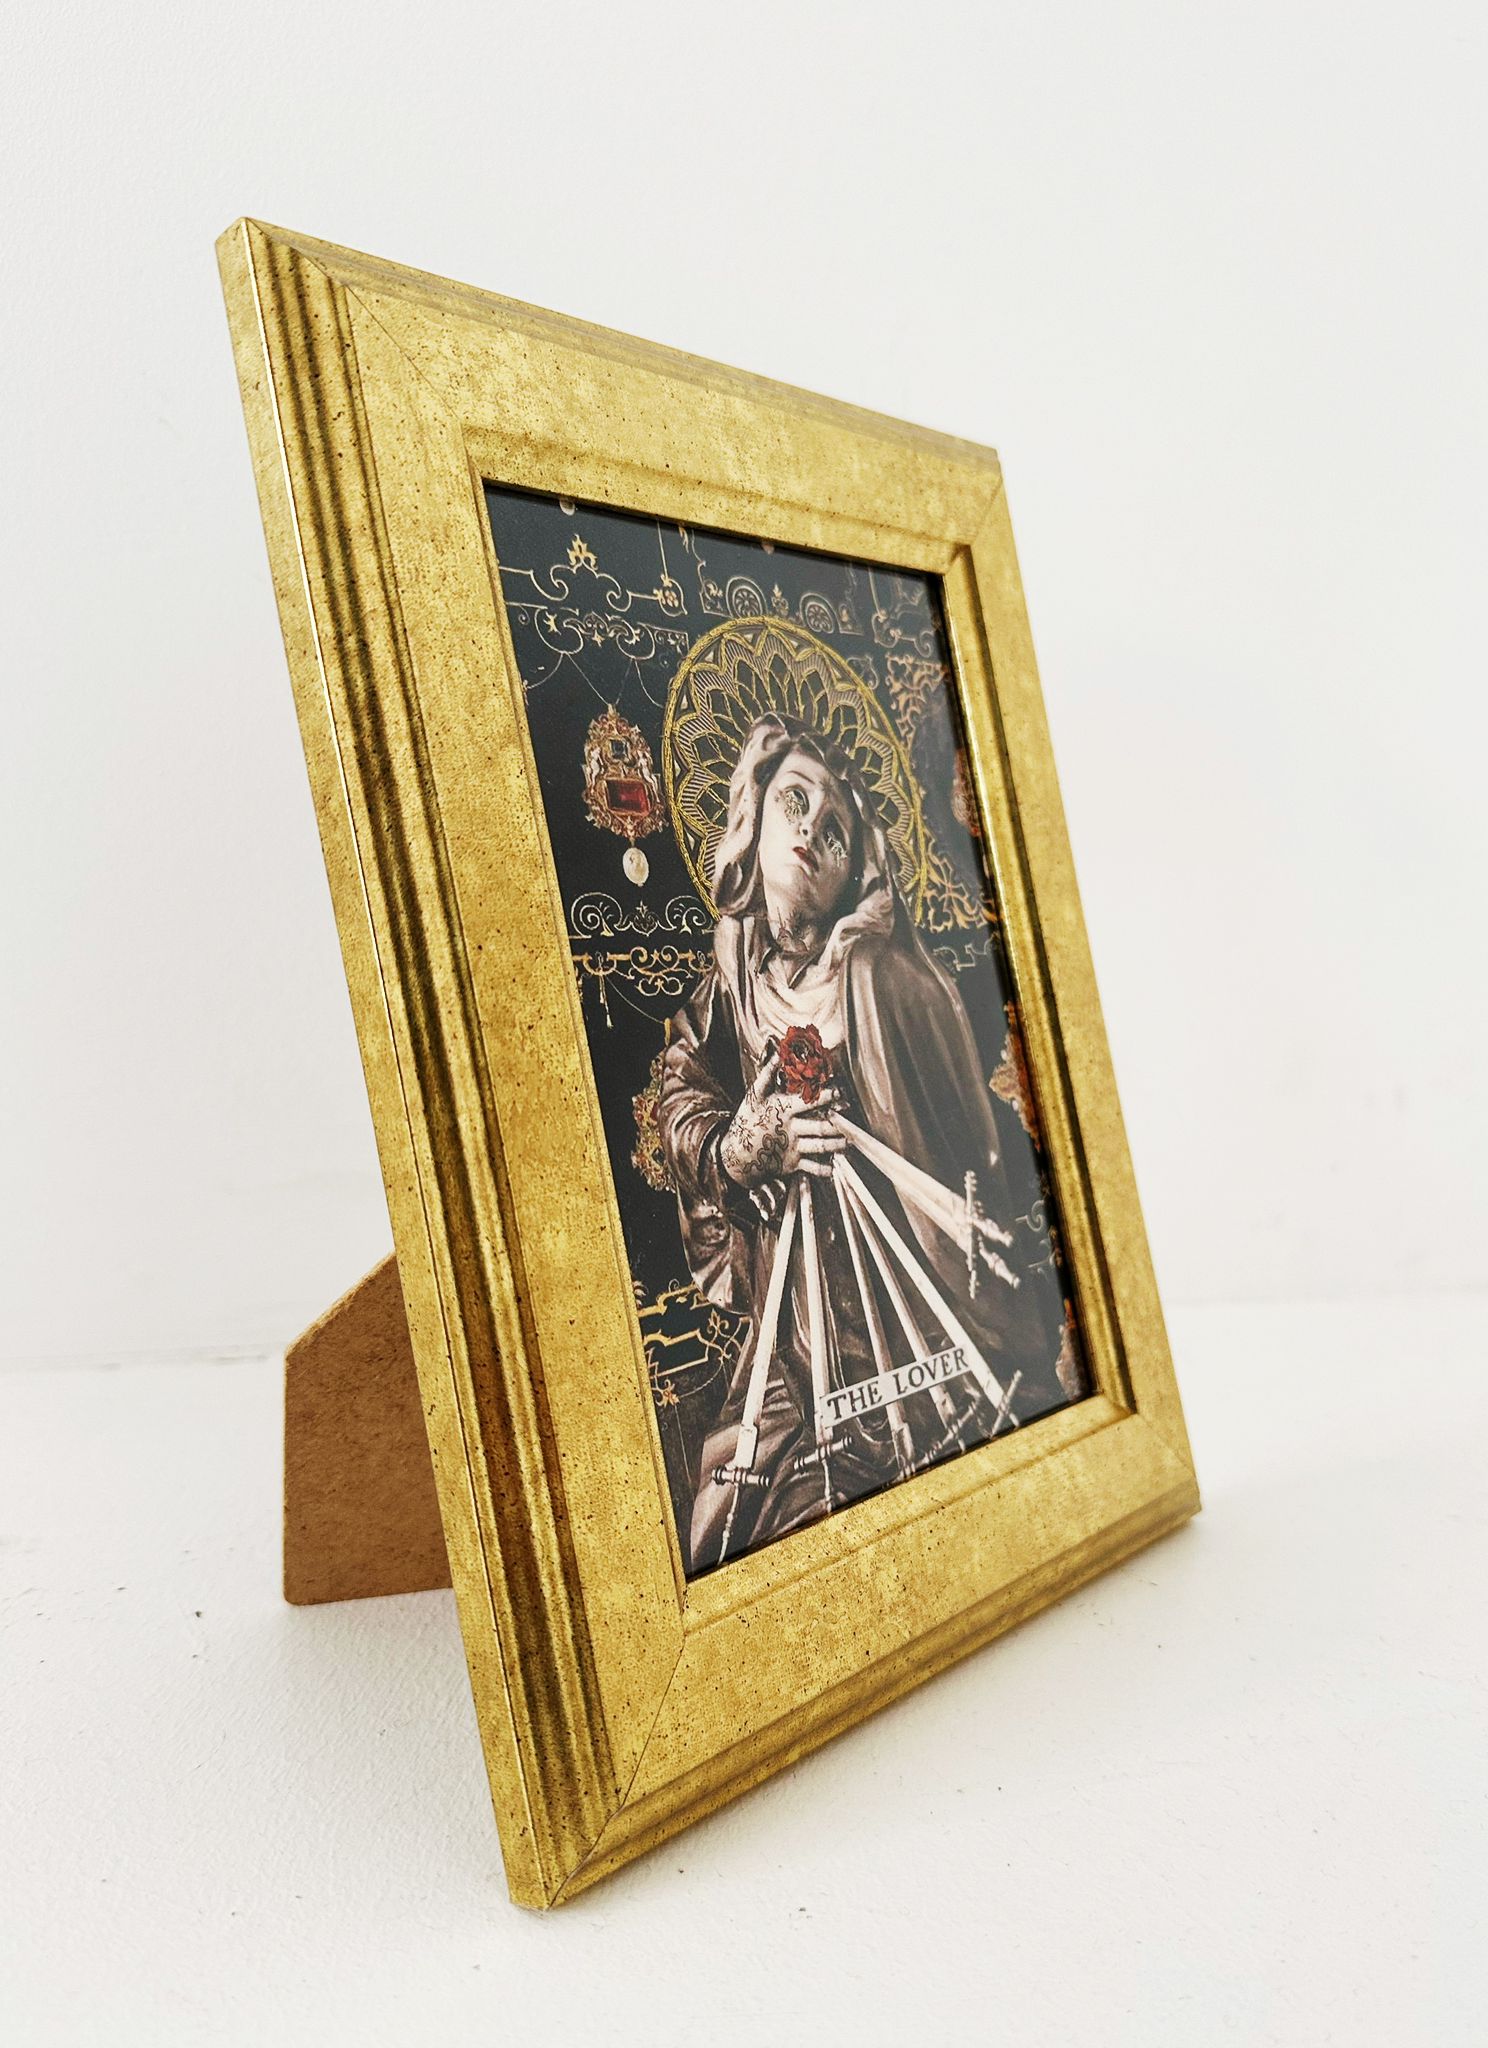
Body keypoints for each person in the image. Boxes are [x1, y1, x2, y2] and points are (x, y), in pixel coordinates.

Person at [656, 711, 1072, 1573]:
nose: (812, 828)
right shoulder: (730, 982)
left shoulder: (886, 980)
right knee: (725, 1522)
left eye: (836, 829)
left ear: (858, 873)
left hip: (918, 1318)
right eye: (794, 802)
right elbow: (680, 1095)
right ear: (752, 819)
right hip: (795, 1334)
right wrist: (735, 1149)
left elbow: (967, 1156)